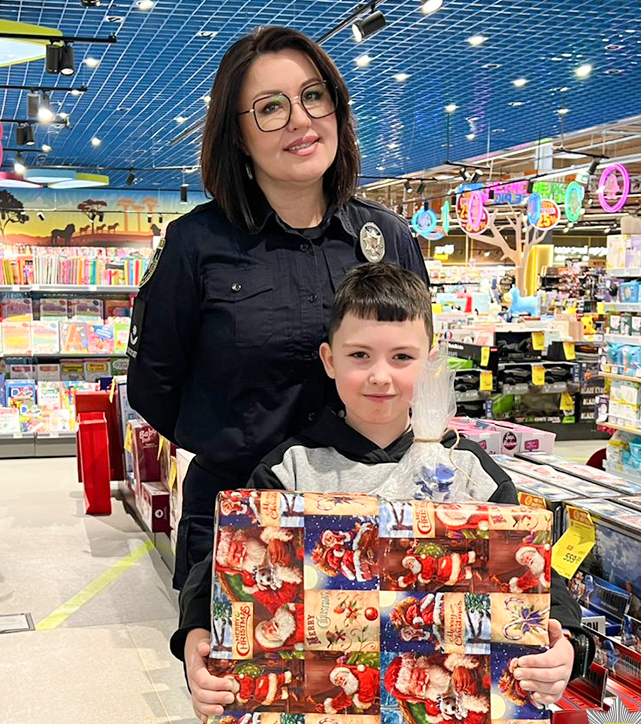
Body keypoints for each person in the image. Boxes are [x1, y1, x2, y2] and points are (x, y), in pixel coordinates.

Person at [173, 264, 593, 721]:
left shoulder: (470, 473)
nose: (380, 376)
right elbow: (219, 570)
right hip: (319, 719)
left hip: (443, 722)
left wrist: (567, 645)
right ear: (329, 360)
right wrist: (195, 637)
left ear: (431, 362)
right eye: (359, 355)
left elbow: (538, 571)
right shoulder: (290, 472)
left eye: (402, 357)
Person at [126, 26, 429, 590]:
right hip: (239, 520)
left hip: (370, 516)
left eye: (314, 96)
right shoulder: (197, 245)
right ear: (238, 136)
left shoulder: (387, 237)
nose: (300, 119)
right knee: (241, 648)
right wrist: (232, 442)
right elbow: (153, 385)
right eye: (270, 107)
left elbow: (418, 361)